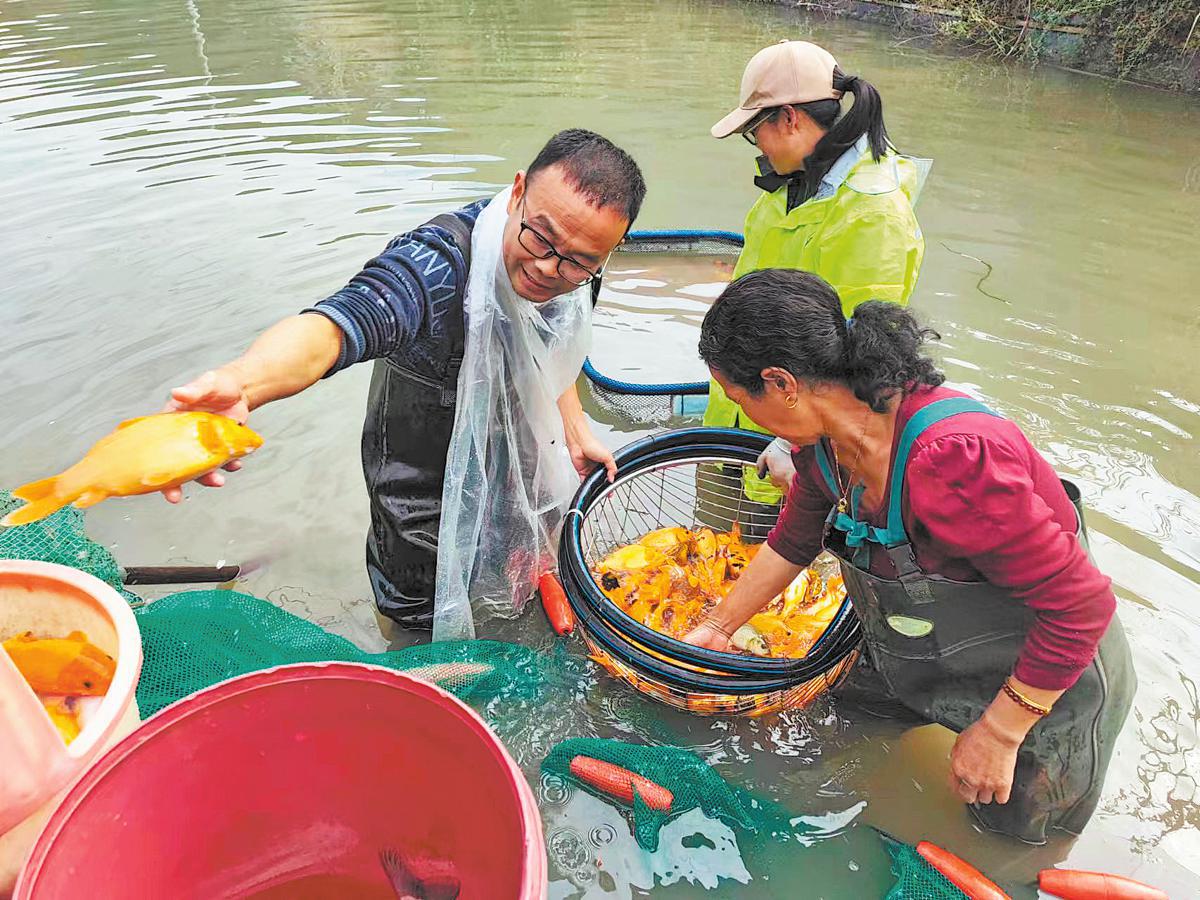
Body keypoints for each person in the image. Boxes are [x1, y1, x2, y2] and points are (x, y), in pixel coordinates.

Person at [684, 269, 1134, 844]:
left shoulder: (953, 462)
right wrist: (718, 628)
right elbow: (791, 543)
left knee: (1008, 840)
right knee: (842, 723)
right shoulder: (825, 449)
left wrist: (999, 732)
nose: (744, 415)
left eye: (739, 399)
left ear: (781, 383)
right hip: (922, 652)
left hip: (1049, 682)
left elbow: (1081, 609)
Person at [162, 129, 647, 637]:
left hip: (515, 461)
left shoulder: (578, 269)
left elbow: (552, 344)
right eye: (539, 238)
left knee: (519, 579)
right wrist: (243, 383)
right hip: (420, 487)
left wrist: (574, 430)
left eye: (577, 261)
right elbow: (337, 326)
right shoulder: (436, 267)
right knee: (417, 617)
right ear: (518, 191)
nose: (548, 267)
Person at [706, 40, 930, 502]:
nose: (757, 146)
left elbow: (863, 355)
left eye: (755, 131)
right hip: (738, 417)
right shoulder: (787, 188)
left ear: (789, 118)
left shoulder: (872, 214)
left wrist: (791, 446)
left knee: (770, 541)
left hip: (792, 448)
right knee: (705, 536)